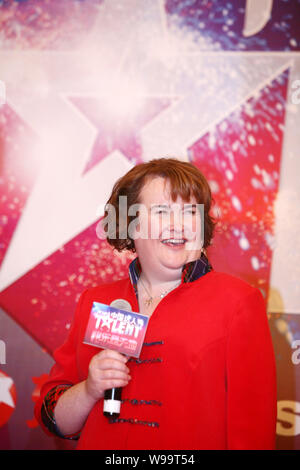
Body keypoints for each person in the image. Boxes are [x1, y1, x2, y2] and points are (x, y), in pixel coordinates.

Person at [35, 157, 277, 450]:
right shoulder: (97, 300)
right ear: (130, 224)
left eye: (190, 211)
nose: (178, 225)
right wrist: (89, 390)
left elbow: (253, 434)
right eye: (162, 211)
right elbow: (53, 419)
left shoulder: (237, 302)